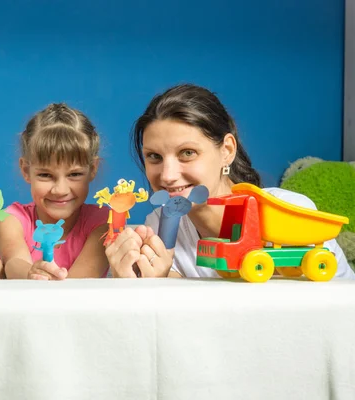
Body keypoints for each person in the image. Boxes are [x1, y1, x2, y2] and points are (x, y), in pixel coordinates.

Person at [107, 83, 355, 280]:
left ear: (226, 150)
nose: (167, 175)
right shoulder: (158, 227)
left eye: (187, 153)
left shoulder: (287, 209)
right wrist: (136, 284)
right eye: (154, 157)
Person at [0, 103, 109, 280]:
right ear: (26, 170)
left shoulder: (103, 222)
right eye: (46, 175)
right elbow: (13, 262)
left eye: (74, 174)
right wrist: (30, 274)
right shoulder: (11, 219)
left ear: (93, 169)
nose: (60, 190)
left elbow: (81, 282)